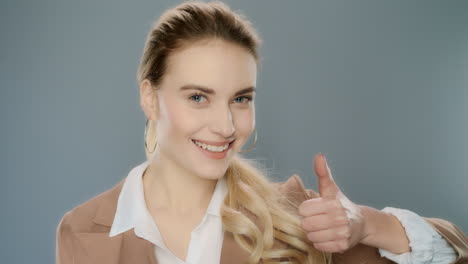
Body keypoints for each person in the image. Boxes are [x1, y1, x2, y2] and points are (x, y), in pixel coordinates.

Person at [55, 1, 468, 263]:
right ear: (150, 96)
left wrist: (367, 225)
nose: (226, 126)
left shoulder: (293, 217)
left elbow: (456, 253)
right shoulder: (82, 232)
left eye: (241, 98)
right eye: (198, 97)